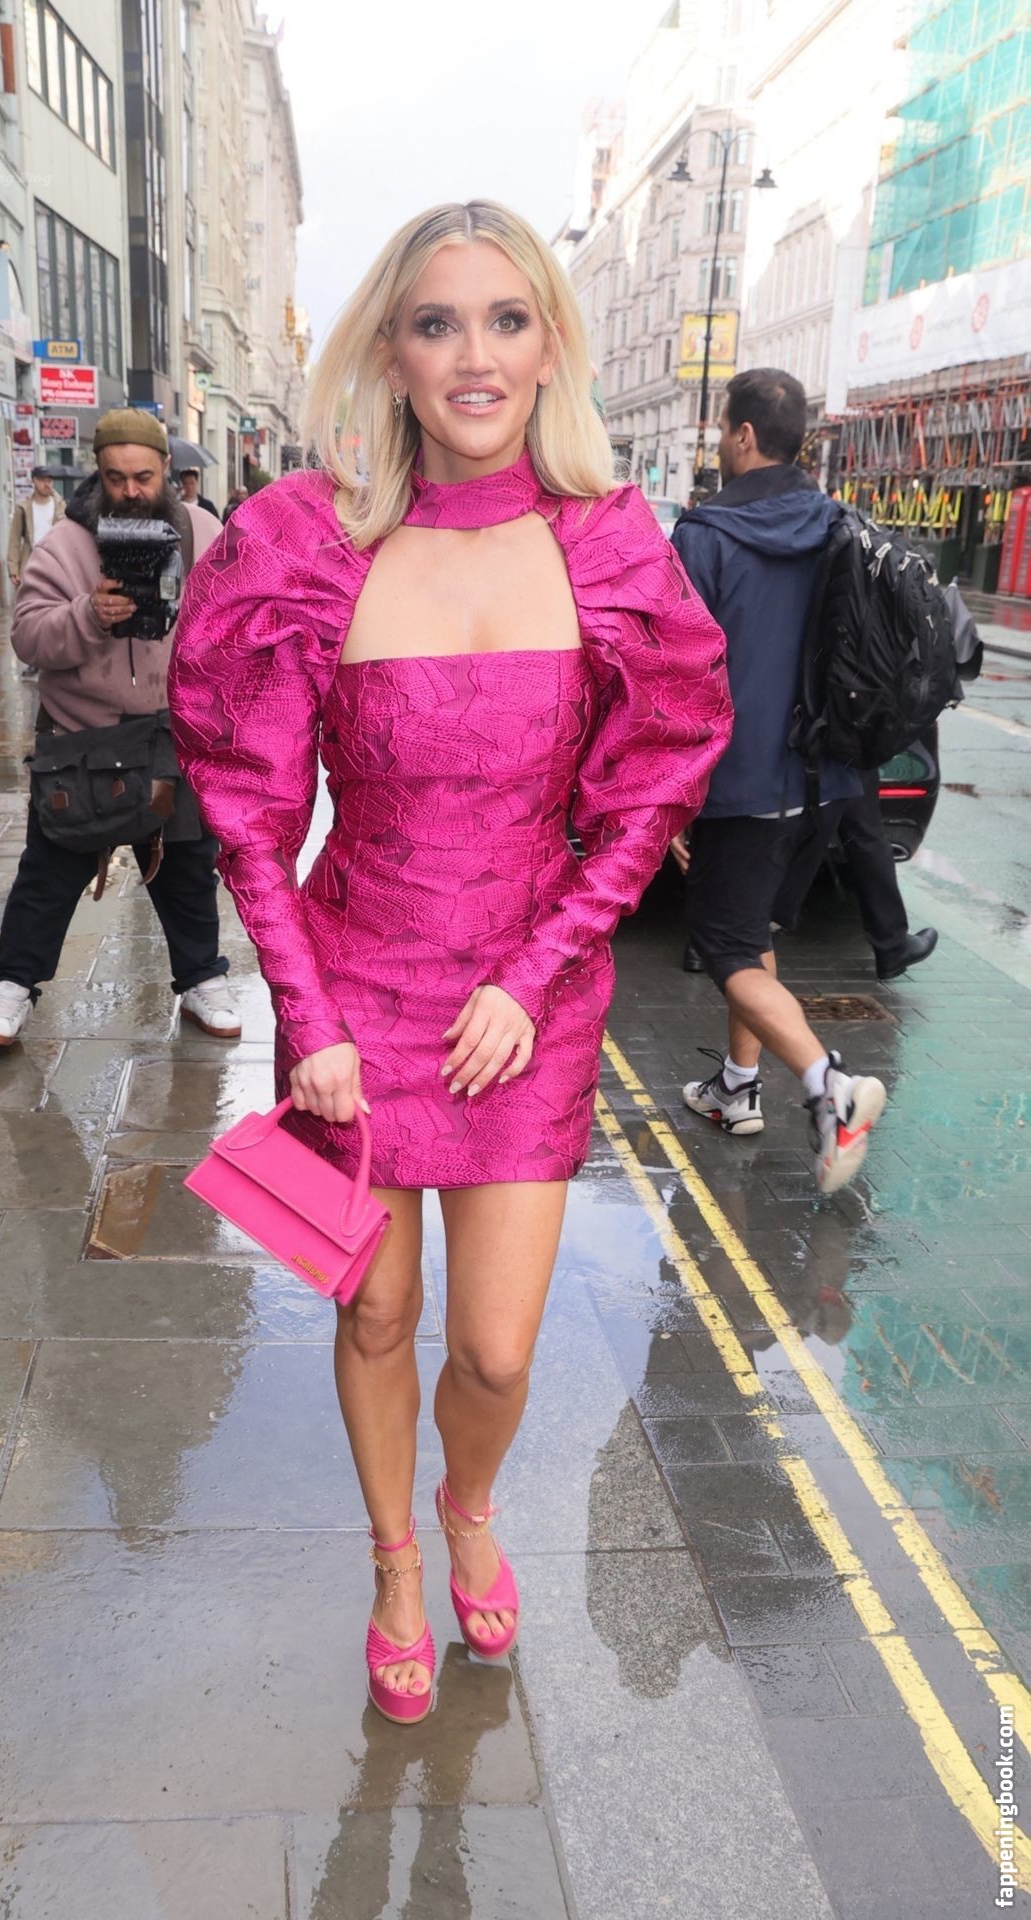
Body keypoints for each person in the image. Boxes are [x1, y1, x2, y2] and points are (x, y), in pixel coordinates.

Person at [169, 200, 732, 1727]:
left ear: (549, 347)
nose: (472, 356)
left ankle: (468, 1504)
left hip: (526, 1007)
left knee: (490, 1347)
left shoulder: (610, 544)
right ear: (394, 355)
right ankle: (396, 1562)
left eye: (504, 320)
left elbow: (651, 791)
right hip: (352, 994)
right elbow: (248, 807)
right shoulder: (307, 542)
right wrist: (306, 1015)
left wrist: (534, 974)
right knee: (373, 1314)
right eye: (436, 323)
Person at [670, 368, 886, 1190]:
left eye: (724, 430)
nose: (722, 443)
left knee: (724, 945)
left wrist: (674, 799)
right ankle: (736, 1086)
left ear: (745, 435)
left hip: (741, 782)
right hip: (828, 779)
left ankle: (830, 1087)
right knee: (752, 928)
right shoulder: (839, 522)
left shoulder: (704, 536)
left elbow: (675, 678)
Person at [0, 408, 240, 1048]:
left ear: (166, 471)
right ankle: (11, 983)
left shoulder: (203, 531)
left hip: (172, 736)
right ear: (98, 473)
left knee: (187, 867)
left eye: (143, 477)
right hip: (82, 741)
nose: (130, 490)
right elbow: (28, 637)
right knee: (50, 871)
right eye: (116, 477)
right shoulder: (64, 544)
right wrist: (87, 615)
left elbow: (237, 620)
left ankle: (202, 977)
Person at [771, 771, 938, 980]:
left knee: (828, 822)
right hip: (838, 758)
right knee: (863, 832)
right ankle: (892, 943)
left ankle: (767, 920)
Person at [7, 466, 66, 588]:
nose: (46, 484)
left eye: (49, 480)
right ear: (33, 480)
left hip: (54, 561)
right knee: (30, 596)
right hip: (31, 560)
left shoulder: (60, 506)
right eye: (42, 480)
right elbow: (14, 540)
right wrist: (13, 569)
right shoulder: (23, 508)